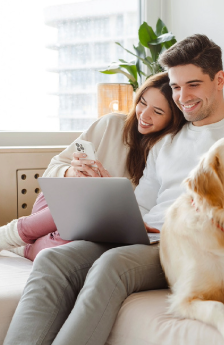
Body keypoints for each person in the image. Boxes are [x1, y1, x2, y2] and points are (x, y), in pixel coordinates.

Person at [0, 34, 224, 345]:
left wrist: (219, 214)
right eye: (175, 87)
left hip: (197, 244)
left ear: (219, 80)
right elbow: (143, 203)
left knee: (112, 265)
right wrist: (116, 208)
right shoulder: (169, 139)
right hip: (148, 234)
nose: (182, 97)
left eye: (193, 85)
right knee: (54, 259)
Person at [0, 72, 186, 261]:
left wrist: (107, 192)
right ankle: (7, 236)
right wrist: (73, 172)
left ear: (173, 119)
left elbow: (140, 212)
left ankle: (24, 247)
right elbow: (53, 168)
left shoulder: (167, 151)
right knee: (79, 204)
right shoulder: (111, 124)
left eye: (158, 111)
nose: (144, 115)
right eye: (143, 102)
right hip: (57, 203)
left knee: (75, 250)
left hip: (93, 225)